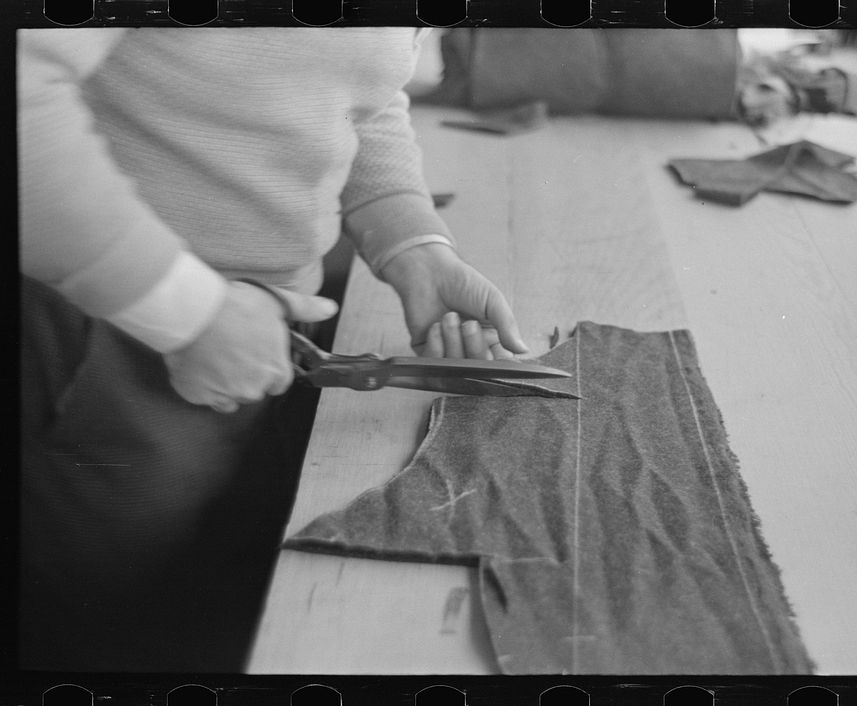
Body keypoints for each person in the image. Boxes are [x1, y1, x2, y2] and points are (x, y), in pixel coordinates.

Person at [18, 26, 527, 671]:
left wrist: (411, 241)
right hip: (107, 331)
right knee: (103, 624)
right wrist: (188, 313)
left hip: (256, 328)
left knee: (209, 597)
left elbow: (358, 89)